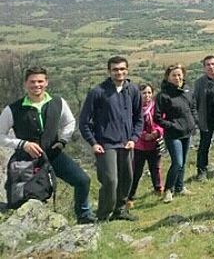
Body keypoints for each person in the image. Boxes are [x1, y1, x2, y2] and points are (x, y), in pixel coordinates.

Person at [0, 66, 97, 224]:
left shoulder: (58, 102)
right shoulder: (13, 109)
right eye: (32, 82)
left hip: (53, 155)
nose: (36, 85)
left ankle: (84, 215)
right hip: (26, 160)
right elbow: (0, 135)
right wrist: (22, 144)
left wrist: (63, 140)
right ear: (25, 84)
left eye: (40, 81)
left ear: (46, 82)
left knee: (82, 180)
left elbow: (70, 122)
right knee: (27, 195)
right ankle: (26, 223)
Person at [79, 56, 142, 222]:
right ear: (109, 71)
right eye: (115, 69)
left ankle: (120, 211)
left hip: (127, 143)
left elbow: (139, 118)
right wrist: (93, 143)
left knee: (127, 178)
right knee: (110, 180)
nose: (119, 72)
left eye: (122, 69)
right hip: (106, 144)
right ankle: (103, 215)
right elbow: (84, 121)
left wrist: (134, 138)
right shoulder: (98, 92)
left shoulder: (133, 90)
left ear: (127, 70)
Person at [155, 63, 198, 203]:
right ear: (168, 77)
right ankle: (168, 190)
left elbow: (192, 107)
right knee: (177, 162)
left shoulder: (187, 91)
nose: (177, 77)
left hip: (187, 132)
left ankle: (180, 187)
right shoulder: (163, 95)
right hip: (173, 134)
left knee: (183, 162)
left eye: (179, 75)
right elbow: (157, 117)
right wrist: (172, 126)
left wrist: (194, 121)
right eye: (174, 75)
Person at [127, 83, 164, 205]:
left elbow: (162, 120)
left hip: (155, 143)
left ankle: (158, 189)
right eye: (144, 93)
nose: (147, 96)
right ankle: (129, 196)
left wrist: (156, 132)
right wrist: (143, 135)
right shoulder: (133, 109)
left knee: (156, 168)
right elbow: (131, 125)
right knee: (136, 171)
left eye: (149, 93)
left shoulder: (156, 107)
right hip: (139, 146)